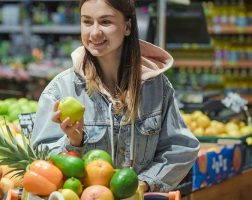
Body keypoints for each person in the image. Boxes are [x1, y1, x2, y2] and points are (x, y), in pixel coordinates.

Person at [31, 0, 200, 193]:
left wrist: (143, 184)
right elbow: (41, 159)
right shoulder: (61, 90)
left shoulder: (155, 86)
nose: (94, 33)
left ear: (127, 26)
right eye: (87, 22)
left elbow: (180, 148)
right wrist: (73, 143)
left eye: (105, 22)